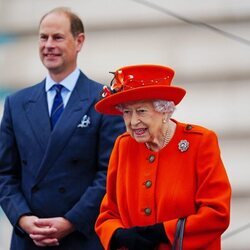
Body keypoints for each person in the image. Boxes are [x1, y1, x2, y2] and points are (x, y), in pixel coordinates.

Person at [0, 7, 125, 250]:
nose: (48, 45)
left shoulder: (104, 100)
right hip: (29, 239)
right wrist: (23, 219)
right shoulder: (16, 103)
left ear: (79, 42)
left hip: (82, 237)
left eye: (57, 37)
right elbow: (5, 174)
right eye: (43, 37)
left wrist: (71, 221)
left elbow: (110, 174)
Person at [94, 64, 231, 250]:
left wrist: (163, 231)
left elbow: (217, 213)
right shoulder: (123, 145)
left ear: (165, 110)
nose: (133, 122)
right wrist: (119, 235)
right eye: (127, 112)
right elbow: (109, 213)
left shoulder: (200, 142)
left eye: (141, 111)